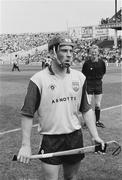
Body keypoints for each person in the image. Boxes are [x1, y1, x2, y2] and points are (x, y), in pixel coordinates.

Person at [17, 35, 105, 180]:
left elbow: (86, 109)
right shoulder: (38, 80)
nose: (69, 55)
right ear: (52, 53)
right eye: (64, 50)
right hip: (51, 140)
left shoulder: (79, 77)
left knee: (71, 177)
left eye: (71, 51)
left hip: (75, 137)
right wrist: (25, 145)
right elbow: (27, 114)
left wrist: (95, 136)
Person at [82, 45, 106, 128]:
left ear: (98, 53)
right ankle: (86, 122)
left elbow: (103, 72)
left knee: (98, 104)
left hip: (98, 85)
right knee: (87, 104)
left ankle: (97, 121)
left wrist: (98, 80)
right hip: (89, 84)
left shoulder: (102, 63)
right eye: (92, 52)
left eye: (95, 52)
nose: (94, 53)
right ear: (90, 53)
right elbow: (83, 74)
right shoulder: (87, 63)